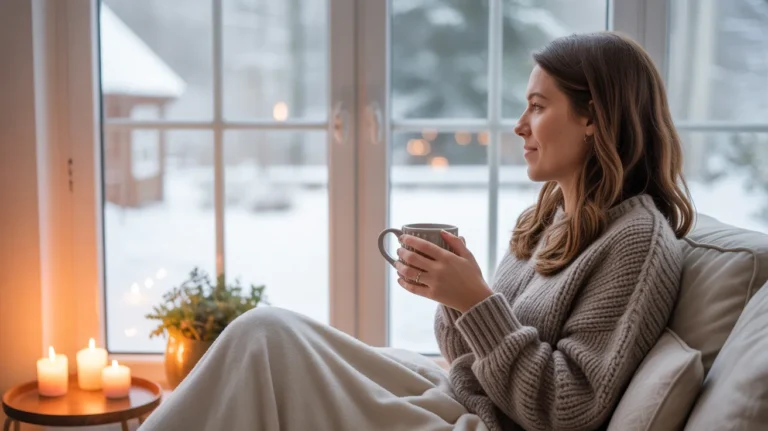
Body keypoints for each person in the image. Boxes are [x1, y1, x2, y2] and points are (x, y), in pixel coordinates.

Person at [139, 31, 694, 431]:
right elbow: (463, 355)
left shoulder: (635, 241)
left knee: (265, 338)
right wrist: (455, 297)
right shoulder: (552, 218)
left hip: (482, 423)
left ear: (593, 116)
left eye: (537, 107)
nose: (520, 125)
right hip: (456, 395)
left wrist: (477, 302)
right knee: (264, 334)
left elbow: (568, 409)